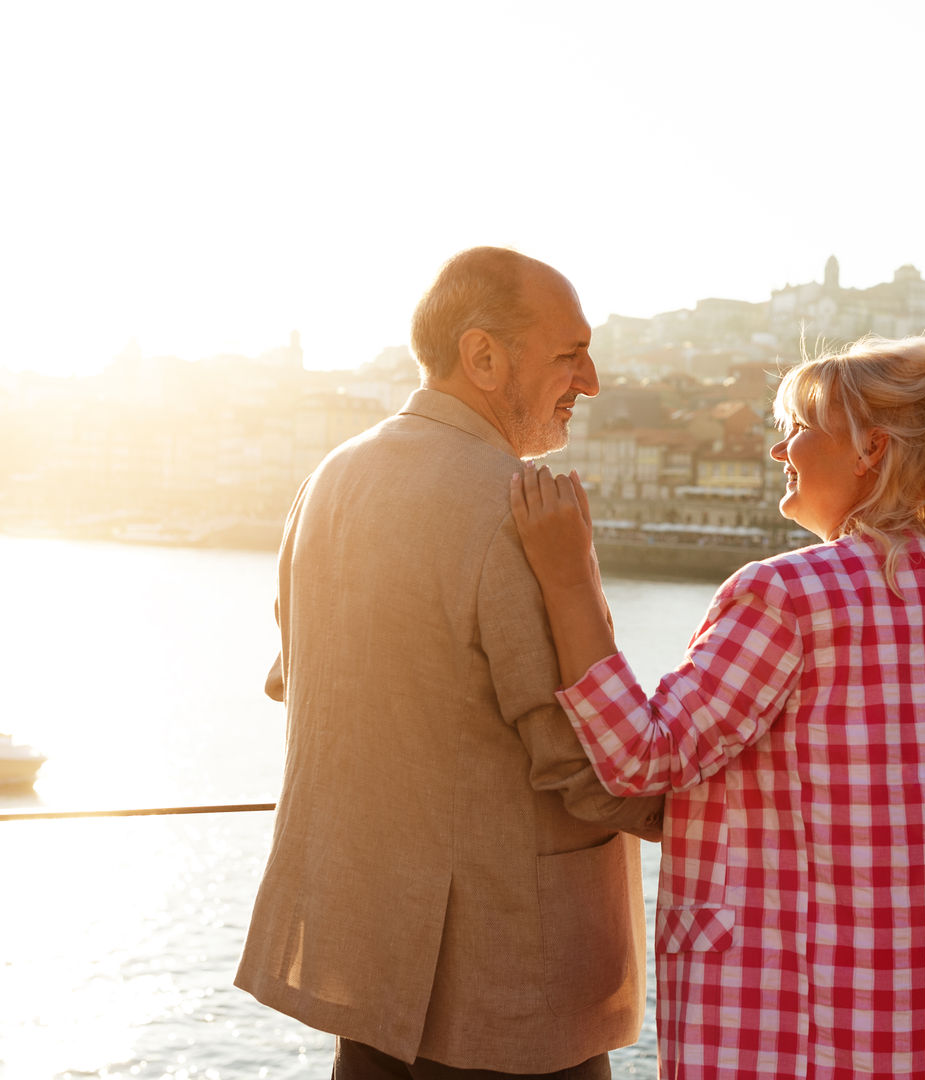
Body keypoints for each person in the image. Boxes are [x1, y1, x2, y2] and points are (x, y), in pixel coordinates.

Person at [511, 335, 925, 1078]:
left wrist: (569, 579)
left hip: (805, 1011)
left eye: (797, 427)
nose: (778, 450)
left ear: (869, 449)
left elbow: (643, 756)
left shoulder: (789, 596)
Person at [235, 247, 664, 1080]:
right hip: (505, 989)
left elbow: (301, 681)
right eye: (570, 354)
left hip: (368, 970)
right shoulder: (518, 508)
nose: (592, 380)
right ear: (483, 357)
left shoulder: (327, 480)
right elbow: (592, 767)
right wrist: (751, 803)